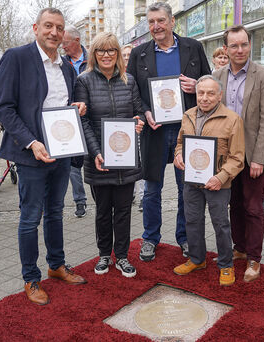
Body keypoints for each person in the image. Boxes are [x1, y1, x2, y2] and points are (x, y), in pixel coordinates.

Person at [0, 8, 88, 305]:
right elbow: (5, 108)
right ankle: (31, 278)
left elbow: (65, 104)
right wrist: (32, 142)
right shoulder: (17, 57)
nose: (54, 32)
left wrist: (78, 108)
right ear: (36, 28)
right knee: (30, 217)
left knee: (56, 211)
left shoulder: (65, 68)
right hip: (32, 153)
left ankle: (56, 265)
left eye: (59, 28)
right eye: (48, 26)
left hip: (61, 151)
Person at [126, 2, 211, 262]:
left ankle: (184, 237)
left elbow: (209, 81)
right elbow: (132, 92)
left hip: (187, 131)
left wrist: (197, 85)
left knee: (187, 188)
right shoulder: (138, 53)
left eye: (160, 21)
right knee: (152, 189)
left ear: (172, 21)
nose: (156, 27)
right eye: (151, 22)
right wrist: (144, 113)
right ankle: (151, 237)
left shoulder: (193, 47)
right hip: (154, 132)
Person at [75, 32, 145, 277]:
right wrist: (95, 151)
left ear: (118, 54)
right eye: (101, 51)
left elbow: (139, 112)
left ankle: (123, 256)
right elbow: (82, 122)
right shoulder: (84, 81)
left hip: (125, 158)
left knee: (124, 210)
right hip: (99, 159)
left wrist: (139, 122)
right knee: (103, 210)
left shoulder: (130, 81)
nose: (106, 55)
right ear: (94, 54)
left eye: (111, 50)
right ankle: (105, 254)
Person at [213, 25, 264, 283]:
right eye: (234, 46)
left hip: (252, 156)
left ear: (250, 45)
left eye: (244, 45)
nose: (240, 50)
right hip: (228, 157)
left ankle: (254, 257)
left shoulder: (263, 76)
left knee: (252, 207)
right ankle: (239, 247)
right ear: (226, 49)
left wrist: (260, 157)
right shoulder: (217, 76)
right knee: (234, 204)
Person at [172, 75, 244, 286]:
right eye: (201, 93)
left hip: (218, 183)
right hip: (191, 182)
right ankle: (197, 259)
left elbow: (238, 157)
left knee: (220, 224)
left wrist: (221, 177)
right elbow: (179, 143)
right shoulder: (187, 115)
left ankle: (226, 264)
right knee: (192, 220)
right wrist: (178, 155)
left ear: (219, 95)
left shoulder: (232, 119)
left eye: (210, 93)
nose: (205, 98)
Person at [62, 25, 88, 218]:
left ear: (77, 41)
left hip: (92, 118)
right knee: (73, 164)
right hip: (69, 119)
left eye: (65, 43)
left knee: (97, 159)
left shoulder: (93, 59)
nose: (62, 47)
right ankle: (80, 200)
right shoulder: (61, 63)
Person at [121, 43, 145, 211]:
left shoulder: (137, 76)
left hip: (137, 126)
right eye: (125, 55)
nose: (128, 57)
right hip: (120, 129)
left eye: (130, 54)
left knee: (140, 160)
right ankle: (129, 194)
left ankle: (142, 196)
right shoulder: (118, 77)